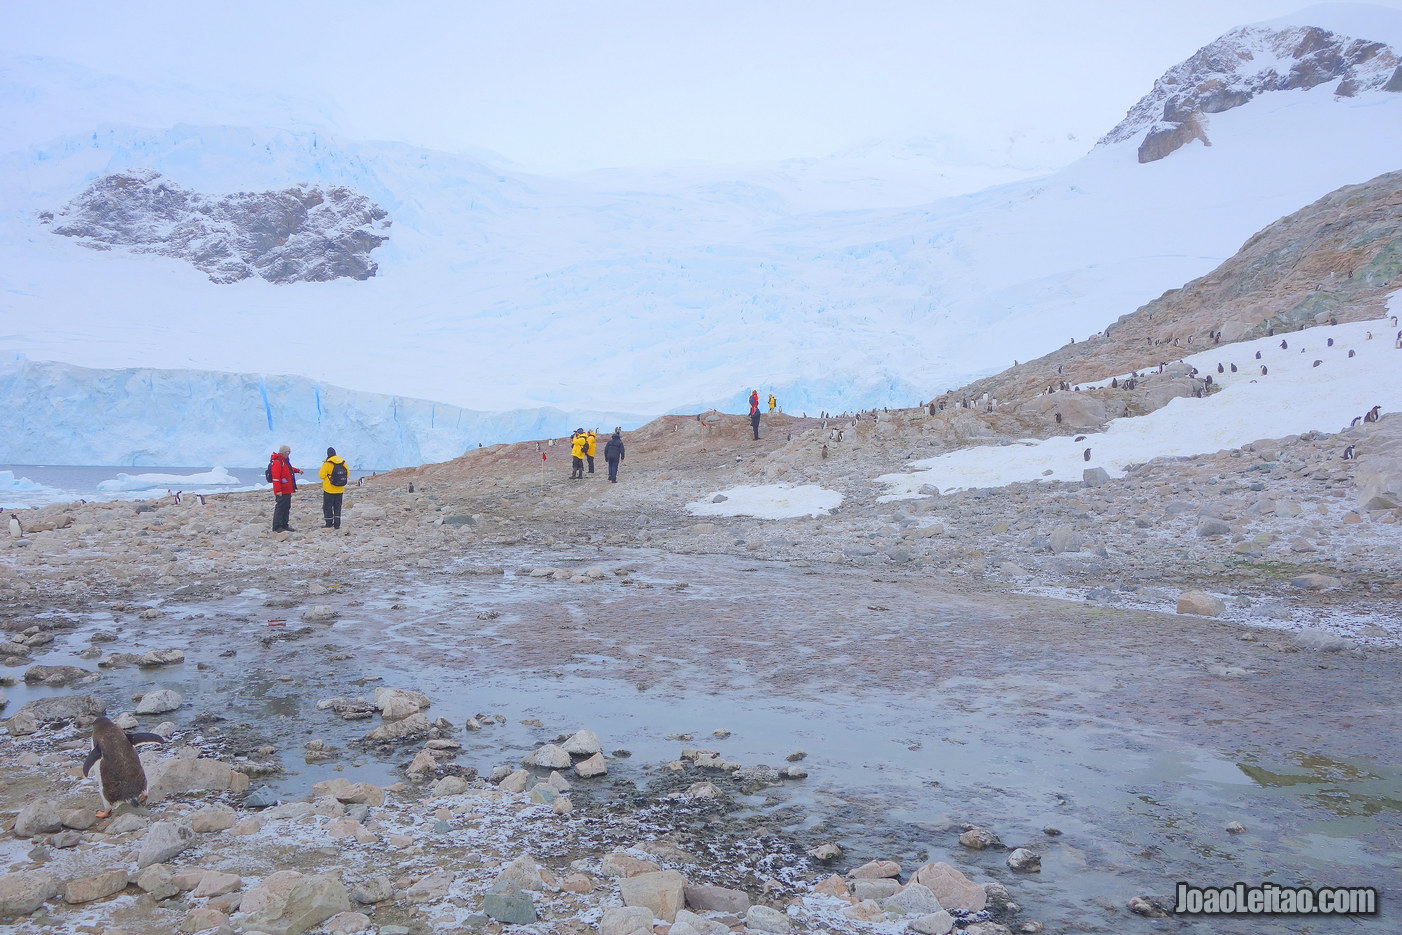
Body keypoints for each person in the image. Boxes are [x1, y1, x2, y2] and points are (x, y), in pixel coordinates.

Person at [268, 444, 302, 532]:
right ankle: (277, 526)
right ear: (284, 452)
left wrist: (297, 470)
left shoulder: (284, 461)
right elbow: (276, 478)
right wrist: (278, 490)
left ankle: (284, 525)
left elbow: (289, 469)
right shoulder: (278, 462)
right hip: (282, 490)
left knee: (286, 507)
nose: (289, 454)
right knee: (280, 507)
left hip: (287, 489)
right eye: (288, 452)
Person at [318, 446, 348, 529]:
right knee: (337, 506)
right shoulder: (343, 463)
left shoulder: (327, 464)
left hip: (329, 489)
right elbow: (347, 474)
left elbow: (321, 475)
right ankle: (337, 524)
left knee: (328, 506)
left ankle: (329, 523)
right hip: (340, 489)